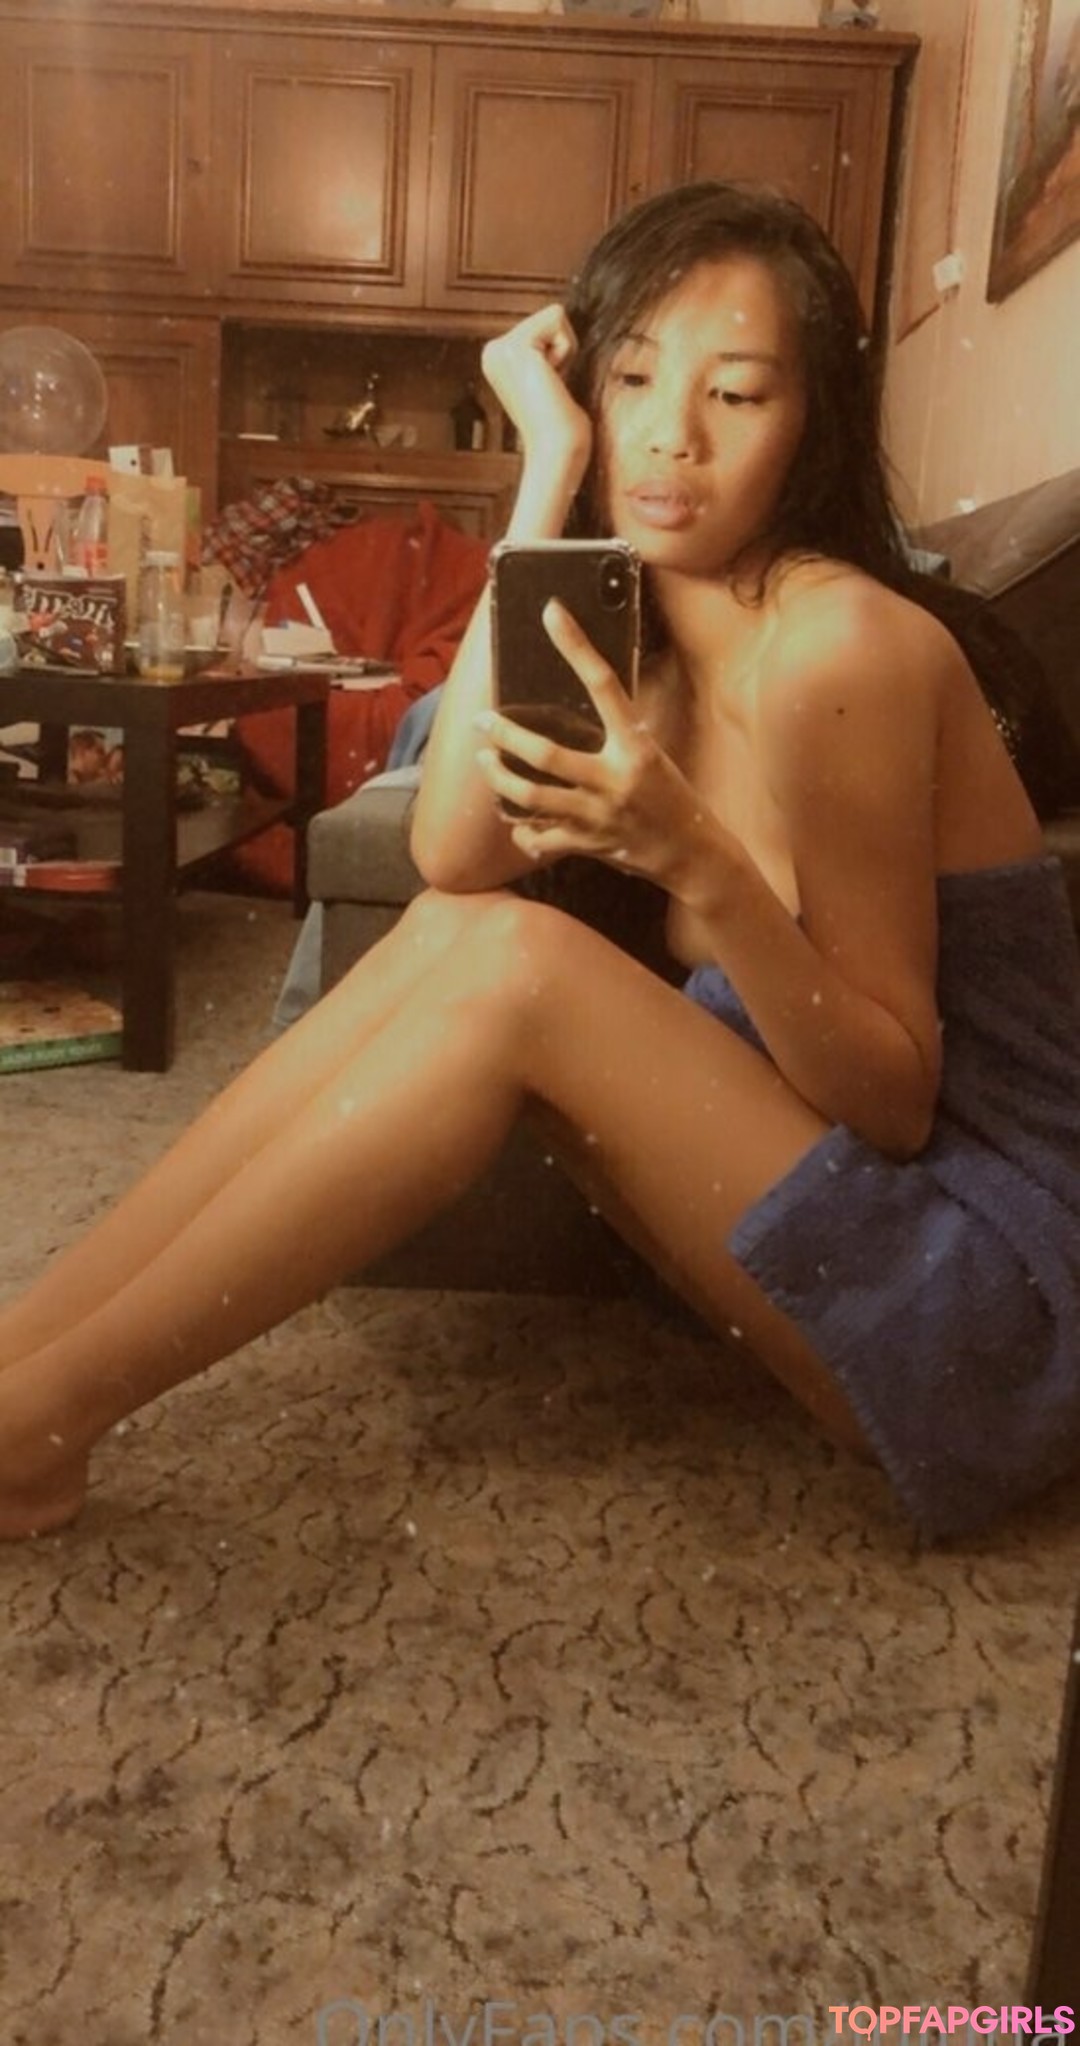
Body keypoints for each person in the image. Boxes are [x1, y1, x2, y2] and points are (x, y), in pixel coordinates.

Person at [2, 182, 1078, 1545]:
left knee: (518, 964)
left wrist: (701, 864)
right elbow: (453, 854)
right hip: (851, 1236)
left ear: (810, 427)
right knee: (461, 936)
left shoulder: (840, 653)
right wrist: (544, 476)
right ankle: (21, 1361)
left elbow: (900, 1101)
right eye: (632, 379)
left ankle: (33, 1429)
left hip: (1000, 1299)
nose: (672, 435)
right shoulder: (643, 636)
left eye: (737, 394)